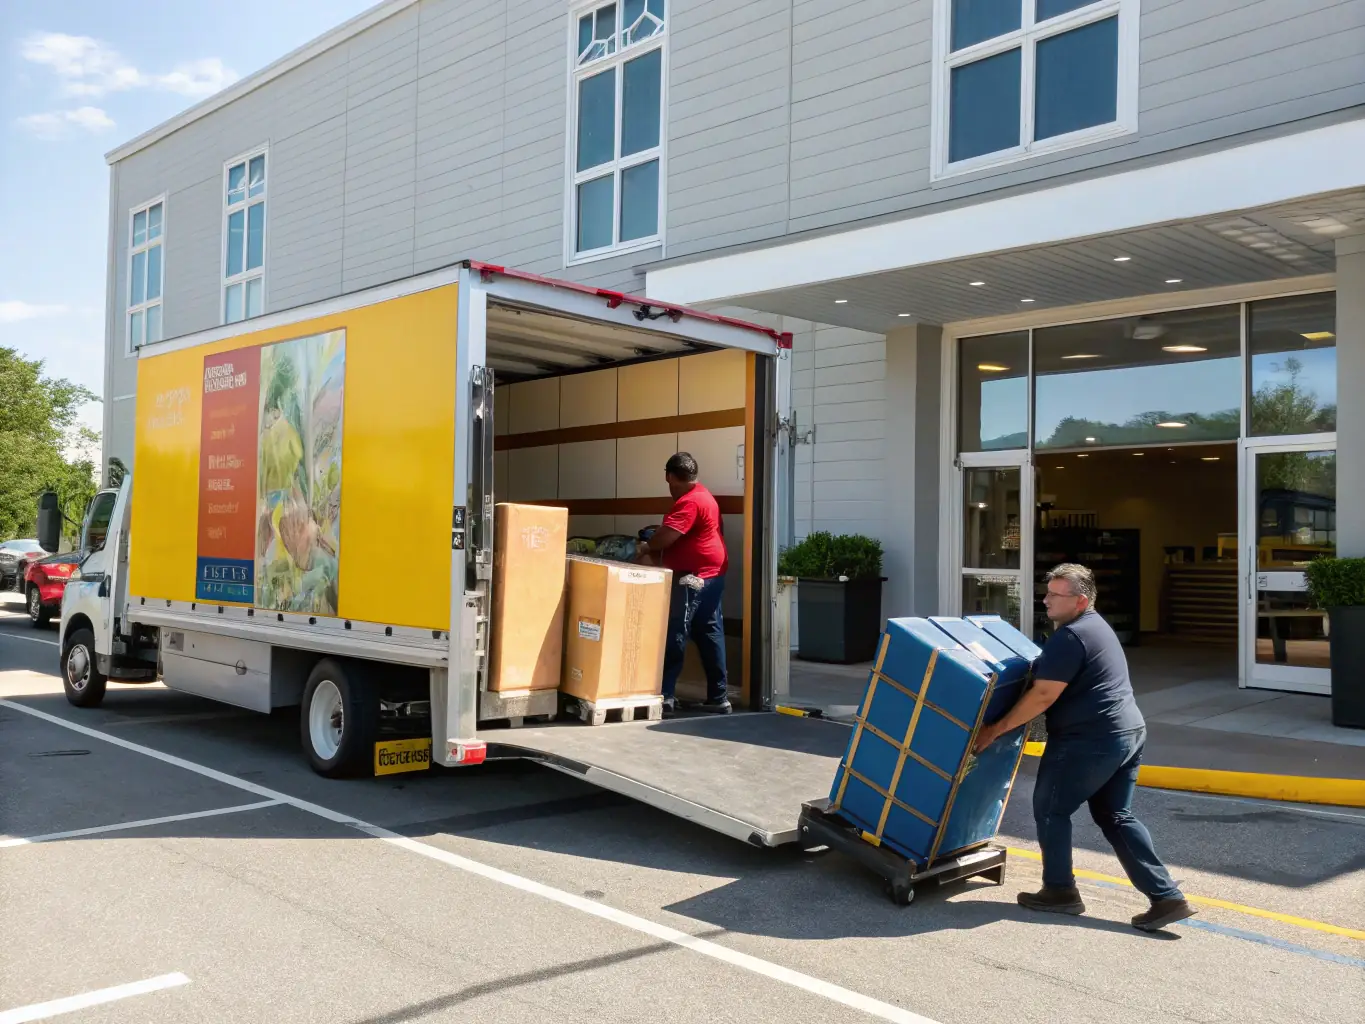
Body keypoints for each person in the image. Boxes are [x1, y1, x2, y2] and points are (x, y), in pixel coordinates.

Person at [973, 563, 1196, 933]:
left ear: (1079, 600)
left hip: (1089, 740)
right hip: (1127, 732)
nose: (1045, 600)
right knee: (1115, 815)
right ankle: (1166, 896)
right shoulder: (1096, 628)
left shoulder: (1071, 637)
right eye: (1046, 592)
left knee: (1050, 809)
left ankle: (1060, 891)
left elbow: (1043, 695)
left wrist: (995, 730)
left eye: (1054, 595)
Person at [641, 452, 730, 716]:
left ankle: (666, 695)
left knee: (676, 630)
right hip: (713, 573)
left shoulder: (688, 502)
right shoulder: (706, 496)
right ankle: (719, 697)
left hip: (692, 575)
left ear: (670, 477)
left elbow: (666, 537)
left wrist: (646, 545)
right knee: (709, 632)